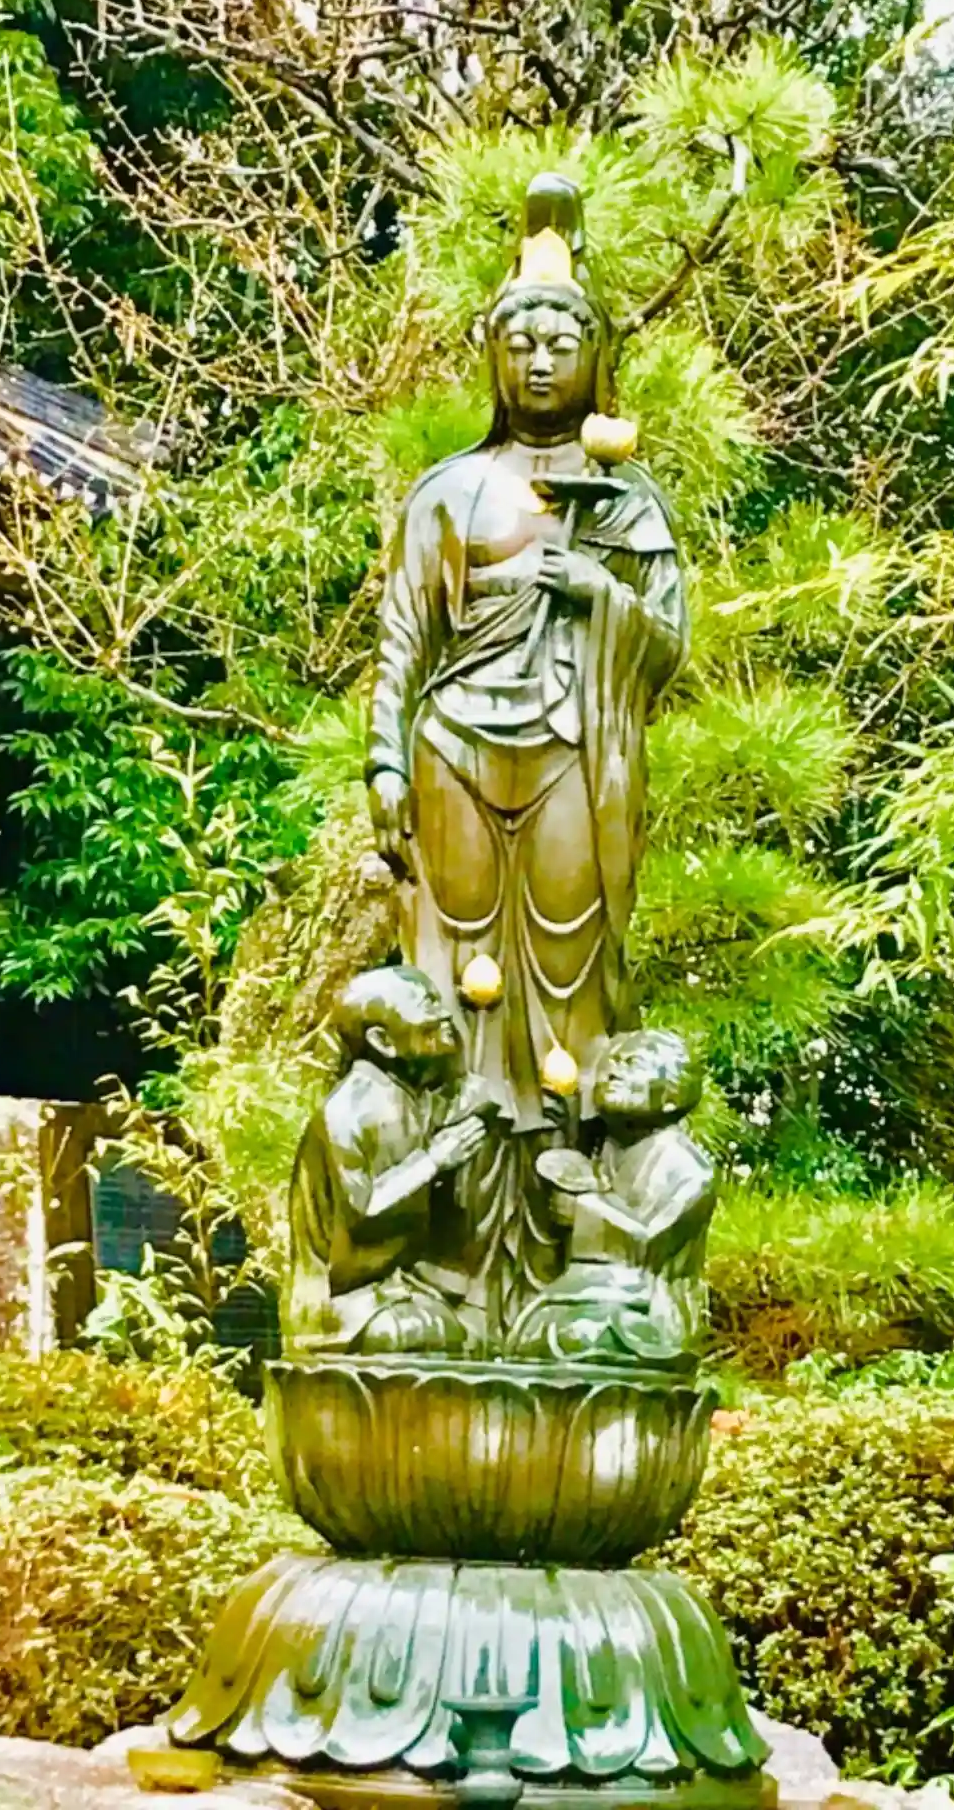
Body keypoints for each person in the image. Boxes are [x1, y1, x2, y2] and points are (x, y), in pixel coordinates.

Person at [366, 174, 687, 1139]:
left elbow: (667, 643)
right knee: (450, 952)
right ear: (493, 359)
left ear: (594, 359)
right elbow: (403, 632)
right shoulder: (450, 490)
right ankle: (453, 1150)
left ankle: (569, 1150)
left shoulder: (626, 498)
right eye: (520, 346)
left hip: (571, 751)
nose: (540, 364)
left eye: (561, 345)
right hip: (455, 745)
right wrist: (384, 763)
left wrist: (600, 595)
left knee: (571, 953)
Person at [285, 965, 497, 1355]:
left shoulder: (409, 1094)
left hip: (401, 1284)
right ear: (382, 1040)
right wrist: (433, 1160)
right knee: (409, 1335)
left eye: (438, 1000)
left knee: (472, 1333)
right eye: (426, 1005)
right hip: (345, 1297)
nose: (443, 1015)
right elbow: (362, 1211)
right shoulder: (346, 1112)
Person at [507, 1029, 714, 1366]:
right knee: (538, 1328)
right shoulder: (606, 1148)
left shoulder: (688, 1169)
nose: (613, 1072)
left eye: (632, 1064)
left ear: (673, 1094)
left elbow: (649, 1244)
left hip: (645, 1304)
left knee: (585, 1334)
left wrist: (584, 1208)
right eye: (609, 1064)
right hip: (591, 1290)